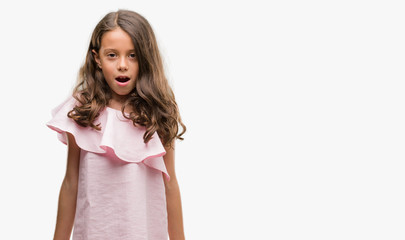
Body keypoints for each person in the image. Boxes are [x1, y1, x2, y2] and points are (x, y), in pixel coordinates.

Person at [46, 9, 186, 240]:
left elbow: (170, 184)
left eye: (133, 55)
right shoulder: (82, 110)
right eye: (112, 55)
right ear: (97, 58)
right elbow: (71, 183)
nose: (122, 64)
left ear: (146, 58)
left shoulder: (158, 111)